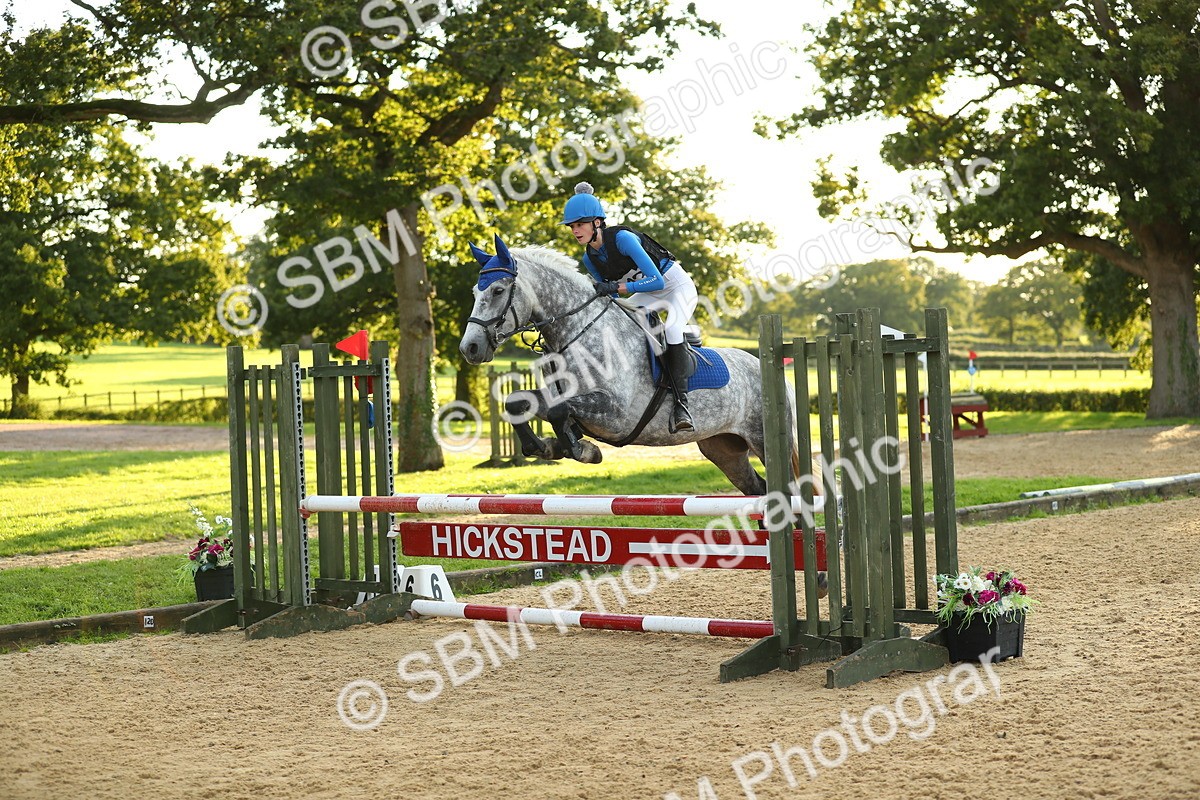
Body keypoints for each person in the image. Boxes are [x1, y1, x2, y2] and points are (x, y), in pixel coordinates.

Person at [560, 181, 699, 433]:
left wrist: (616, 289)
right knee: (618, 324)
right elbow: (609, 299)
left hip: (675, 286)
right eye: (572, 226)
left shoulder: (623, 239)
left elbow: (655, 279)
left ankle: (681, 404)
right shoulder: (589, 258)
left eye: (580, 224)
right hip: (647, 294)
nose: (575, 230)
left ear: (597, 223)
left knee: (672, 329)